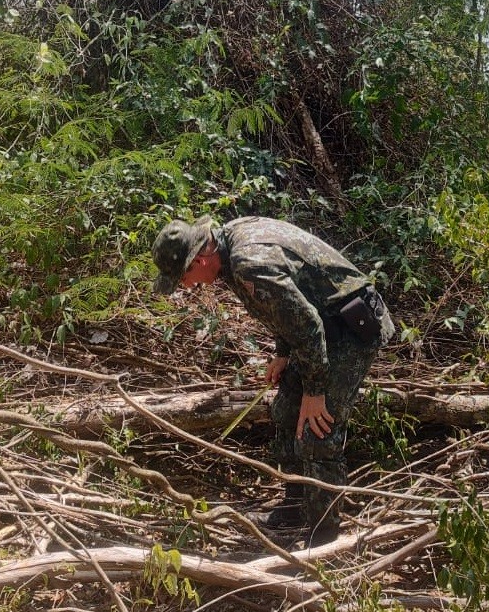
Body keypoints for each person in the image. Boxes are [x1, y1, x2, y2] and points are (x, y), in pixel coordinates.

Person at [151, 215, 394, 545]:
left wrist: (315, 391)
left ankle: (324, 536)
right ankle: (295, 506)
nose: (187, 286)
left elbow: (308, 325)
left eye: (185, 276)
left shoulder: (250, 263)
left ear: (201, 258)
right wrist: (282, 353)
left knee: (317, 430)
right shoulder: (229, 247)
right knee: (285, 411)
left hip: (349, 327)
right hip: (319, 328)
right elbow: (289, 309)